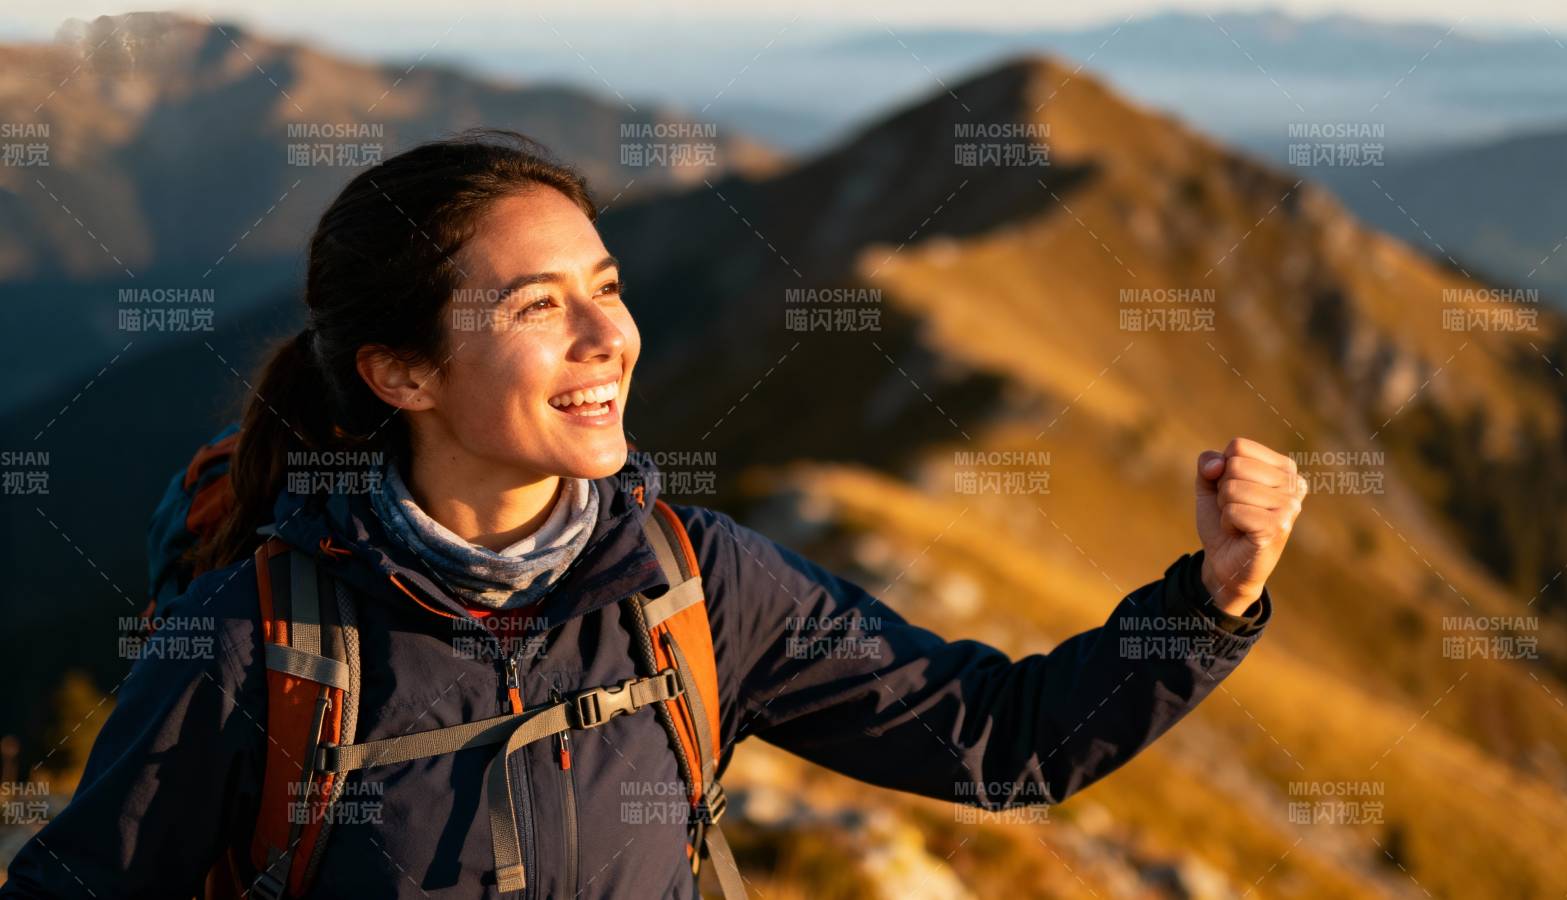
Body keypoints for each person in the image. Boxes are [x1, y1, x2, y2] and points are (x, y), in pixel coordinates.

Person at [0, 130, 1305, 898]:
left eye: (607, 285)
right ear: (402, 375)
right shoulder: (259, 645)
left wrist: (1213, 599)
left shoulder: (693, 585)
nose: (608, 335)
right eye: (537, 306)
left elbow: (1000, 741)